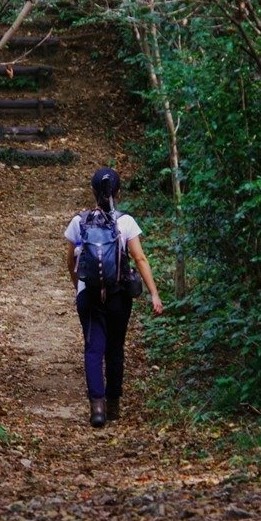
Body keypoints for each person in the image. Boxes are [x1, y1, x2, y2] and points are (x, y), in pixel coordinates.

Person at [64, 167, 164, 428]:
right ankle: (113, 405)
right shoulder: (125, 222)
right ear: (117, 192)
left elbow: (70, 262)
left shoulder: (79, 221)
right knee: (115, 347)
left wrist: (79, 287)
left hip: (89, 295)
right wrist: (154, 294)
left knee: (93, 348)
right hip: (119, 297)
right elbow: (139, 258)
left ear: (92, 191)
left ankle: (96, 408)